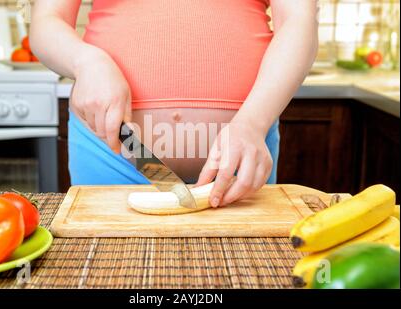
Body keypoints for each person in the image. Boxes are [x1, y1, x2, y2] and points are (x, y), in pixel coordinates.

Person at [31, 0, 318, 207]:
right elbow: (48, 19)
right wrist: (86, 62)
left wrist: (252, 124)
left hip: (239, 153)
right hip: (113, 146)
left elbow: (297, 18)